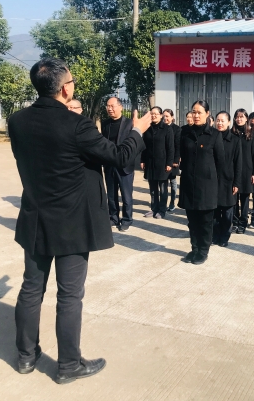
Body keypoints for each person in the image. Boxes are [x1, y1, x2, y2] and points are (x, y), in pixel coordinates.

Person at [8, 57, 150, 384]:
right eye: (71, 81)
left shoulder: (17, 121)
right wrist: (137, 130)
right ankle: (69, 365)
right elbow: (120, 157)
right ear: (64, 88)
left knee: (31, 289)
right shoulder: (77, 125)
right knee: (69, 295)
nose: (73, 85)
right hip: (71, 224)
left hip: (35, 218)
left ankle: (26, 356)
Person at [179, 100, 225, 264]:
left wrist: (218, 188)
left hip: (207, 187)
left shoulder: (215, 135)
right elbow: (183, 157)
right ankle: (194, 249)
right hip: (189, 184)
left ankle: (203, 251)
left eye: (199, 112)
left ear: (207, 114)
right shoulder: (185, 132)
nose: (196, 115)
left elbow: (220, 163)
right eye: (194, 112)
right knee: (192, 221)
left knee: (205, 222)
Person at [101, 97, 136, 231]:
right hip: (110, 164)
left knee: (126, 195)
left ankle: (127, 219)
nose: (109, 109)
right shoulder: (105, 124)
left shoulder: (129, 123)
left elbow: (134, 144)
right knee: (111, 194)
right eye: (108, 106)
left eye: (112, 106)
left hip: (125, 165)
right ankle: (113, 217)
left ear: (120, 107)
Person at [212, 111, 242, 247]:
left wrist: (236, 183)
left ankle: (224, 237)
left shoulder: (235, 140)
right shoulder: (211, 137)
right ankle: (215, 236)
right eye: (217, 120)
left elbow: (238, 163)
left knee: (227, 213)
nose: (219, 123)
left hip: (228, 181)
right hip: (213, 180)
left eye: (222, 120)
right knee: (214, 212)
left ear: (229, 122)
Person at [141, 106, 174, 219]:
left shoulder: (167, 129)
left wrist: (169, 163)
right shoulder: (147, 128)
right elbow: (144, 146)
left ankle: (162, 210)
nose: (153, 116)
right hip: (150, 163)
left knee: (163, 189)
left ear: (161, 116)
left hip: (162, 163)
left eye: (156, 114)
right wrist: (142, 160)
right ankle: (154, 208)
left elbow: (170, 148)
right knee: (153, 189)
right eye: (152, 114)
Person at [232, 108, 254, 234]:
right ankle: (234, 222)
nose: (239, 119)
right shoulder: (232, 133)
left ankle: (243, 223)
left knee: (244, 198)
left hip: (247, 170)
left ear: (246, 118)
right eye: (237, 117)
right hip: (233, 170)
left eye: (241, 117)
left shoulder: (252, 134)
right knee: (234, 198)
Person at [163, 109, 181, 212]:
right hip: (163, 160)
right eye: (164, 116)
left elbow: (178, 146)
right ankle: (163, 203)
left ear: (172, 117)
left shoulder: (177, 129)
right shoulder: (161, 127)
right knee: (163, 183)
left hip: (173, 159)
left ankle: (172, 202)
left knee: (173, 181)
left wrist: (176, 160)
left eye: (167, 116)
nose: (165, 118)